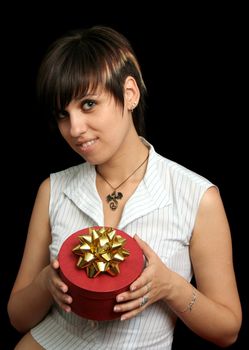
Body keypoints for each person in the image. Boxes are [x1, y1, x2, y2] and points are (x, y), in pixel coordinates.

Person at [8, 25, 242, 350]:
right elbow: (18, 318)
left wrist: (170, 287)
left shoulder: (198, 197)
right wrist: (47, 282)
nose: (75, 129)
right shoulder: (53, 189)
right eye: (63, 114)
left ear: (129, 93)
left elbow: (227, 329)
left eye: (88, 104)